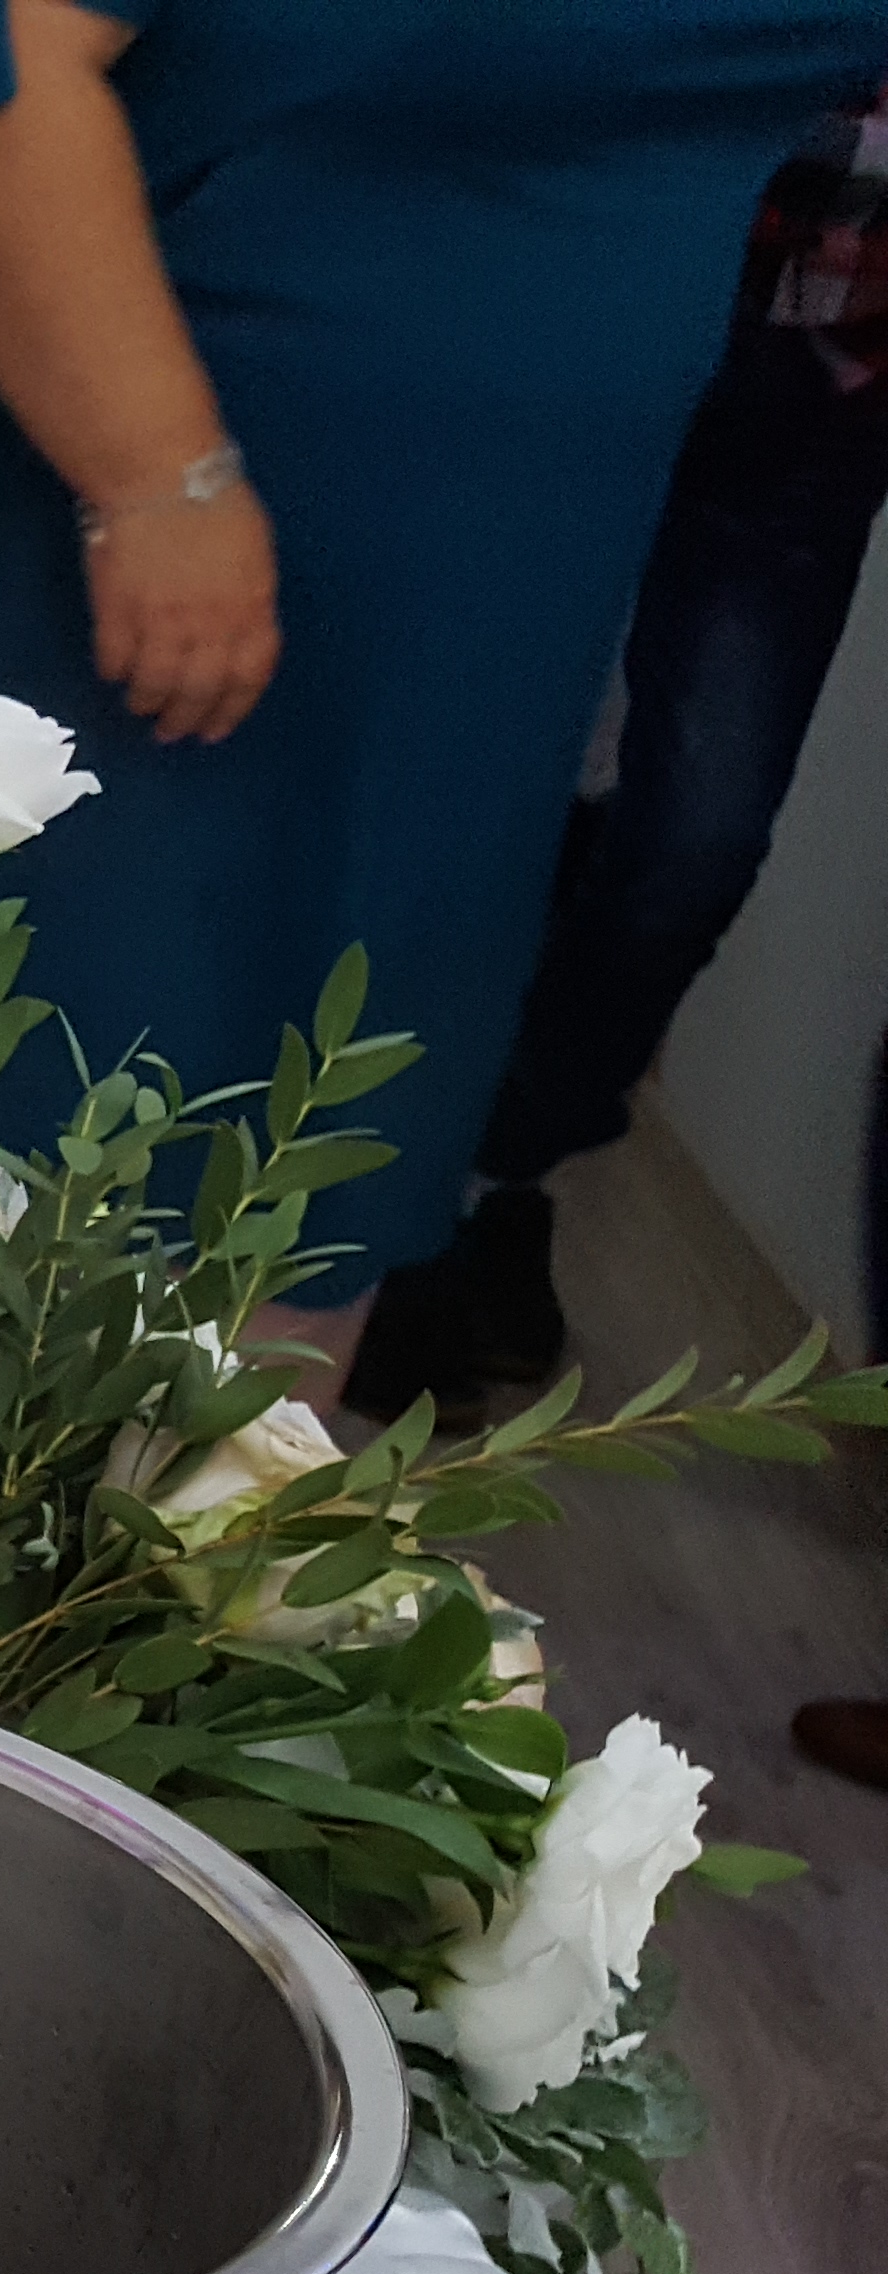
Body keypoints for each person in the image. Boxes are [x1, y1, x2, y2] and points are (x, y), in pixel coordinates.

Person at [0, 0, 882, 1405]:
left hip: (470, 598)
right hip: (89, 472)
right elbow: (3, 58)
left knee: (297, 1208)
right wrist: (155, 480)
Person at [353, 79, 888, 1423]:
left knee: (695, 842)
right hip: (567, 305)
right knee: (462, 772)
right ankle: (385, 1186)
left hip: (819, 394)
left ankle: (492, 1171)